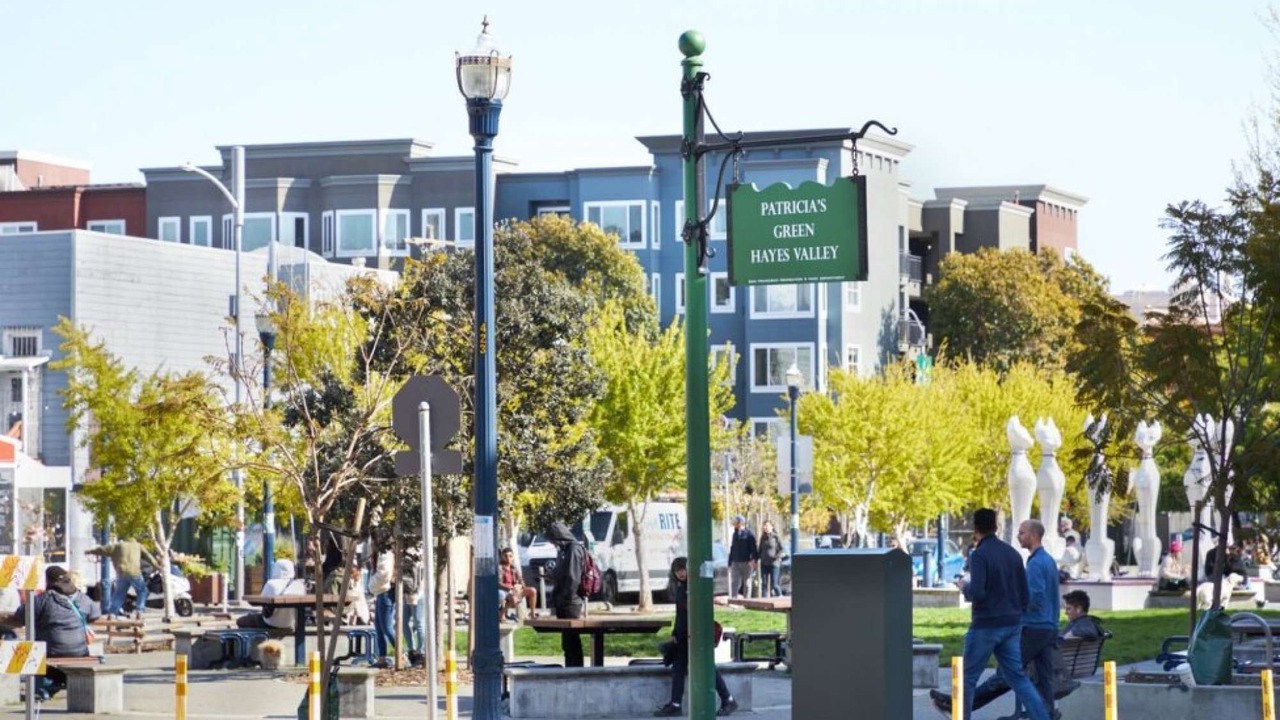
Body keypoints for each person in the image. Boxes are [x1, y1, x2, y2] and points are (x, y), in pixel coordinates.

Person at [930, 520, 1059, 719]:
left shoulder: (1036, 564)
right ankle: (1046, 715)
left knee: (1007, 675)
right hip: (1048, 626)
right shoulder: (1048, 560)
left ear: (1033, 536)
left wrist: (1012, 604)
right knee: (1042, 678)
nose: (1018, 536)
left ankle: (958, 707)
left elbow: (1034, 597)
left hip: (1034, 626)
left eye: (1022, 533)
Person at [653, 557, 738, 717]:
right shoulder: (680, 589)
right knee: (678, 668)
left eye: (683, 569)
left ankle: (728, 699)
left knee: (707, 668)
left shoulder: (695, 587)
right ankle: (675, 703)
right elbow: (680, 614)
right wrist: (674, 634)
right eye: (678, 571)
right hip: (683, 636)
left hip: (695, 635)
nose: (681, 573)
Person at [19, 565, 102, 700]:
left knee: (35, 652)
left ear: (48, 581)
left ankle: (44, 688)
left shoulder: (44, 599)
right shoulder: (82, 598)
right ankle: (63, 681)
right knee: (63, 654)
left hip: (52, 650)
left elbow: (21, 615)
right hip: (79, 651)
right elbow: (95, 614)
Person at [547, 520, 585, 667]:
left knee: (572, 640)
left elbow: (573, 577)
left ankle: (576, 669)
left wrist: (565, 597)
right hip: (563, 600)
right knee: (567, 642)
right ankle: (571, 667)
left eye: (553, 540)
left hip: (570, 602)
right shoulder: (564, 550)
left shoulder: (573, 549)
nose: (553, 544)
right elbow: (563, 572)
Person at [87, 537, 154, 618]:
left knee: (119, 594)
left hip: (121, 572)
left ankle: (112, 613)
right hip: (135, 572)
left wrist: (90, 551)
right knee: (143, 591)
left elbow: (103, 549)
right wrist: (157, 565)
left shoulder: (118, 546)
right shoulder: (138, 545)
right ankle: (139, 610)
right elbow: (149, 556)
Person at [236, 559, 307, 630]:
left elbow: (262, 600)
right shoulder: (299, 585)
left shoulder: (271, 584)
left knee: (241, 621)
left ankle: (256, 640)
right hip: (289, 623)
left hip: (270, 622)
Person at [368, 544, 397, 668]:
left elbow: (384, 574)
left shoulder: (385, 553)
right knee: (379, 627)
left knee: (386, 627)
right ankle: (382, 658)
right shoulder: (381, 554)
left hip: (385, 591)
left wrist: (371, 584)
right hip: (381, 592)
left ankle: (402, 654)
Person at [499, 547, 538, 620]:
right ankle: (501, 614)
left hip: (515, 590)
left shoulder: (514, 567)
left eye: (510, 556)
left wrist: (521, 586)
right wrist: (511, 588)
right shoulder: (500, 567)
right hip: (505, 591)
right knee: (514, 599)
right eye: (506, 556)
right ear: (502, 557)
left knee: (532, 590)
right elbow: (499, 583)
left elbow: (520, 579)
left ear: (513, 557)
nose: (508, 558)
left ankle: (532, 614)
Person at [727, 515, 758, 598]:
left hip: (746, 562)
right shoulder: (735, 534)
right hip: (735, 562)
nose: (734, 523)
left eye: (736, 521)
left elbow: (753, 548)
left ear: (741, 523)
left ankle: (747, 600)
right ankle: (734, 599)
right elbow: (732, 548)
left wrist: (753, 560)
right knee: (735, 582)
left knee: (747, 582)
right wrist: (730, 562)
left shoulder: (749, 534)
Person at [757, 521, 784, 598]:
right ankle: (764, 601)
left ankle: (780, 596)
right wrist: (755, 559)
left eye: (767, 526)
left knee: (774, 584)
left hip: (774, 564)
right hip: (764, 564)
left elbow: (782, 549)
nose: (765, 527)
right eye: (764, 526)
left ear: (771, 527)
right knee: (764, 584)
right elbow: (760, 550)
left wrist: (777, 556)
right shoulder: (762, 538)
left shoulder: (775, 537)